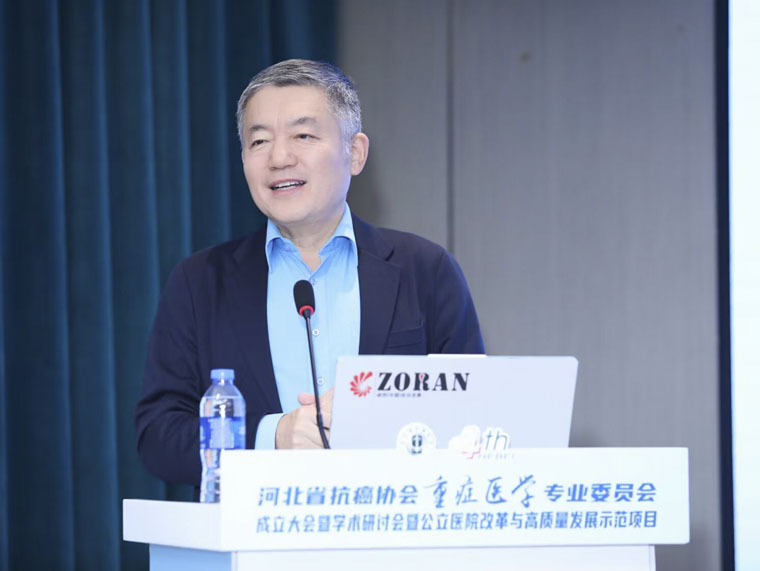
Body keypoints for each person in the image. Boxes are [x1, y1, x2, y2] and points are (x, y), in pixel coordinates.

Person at [135, 59, 484, 486]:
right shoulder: (200, 282)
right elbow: (158, 436)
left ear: (355, 153)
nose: (279, 157)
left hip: (391, 521)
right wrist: (273, 436)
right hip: (253, 525)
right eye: (259, 141)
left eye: (303, 135)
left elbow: (475, 420)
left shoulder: (425, 270)